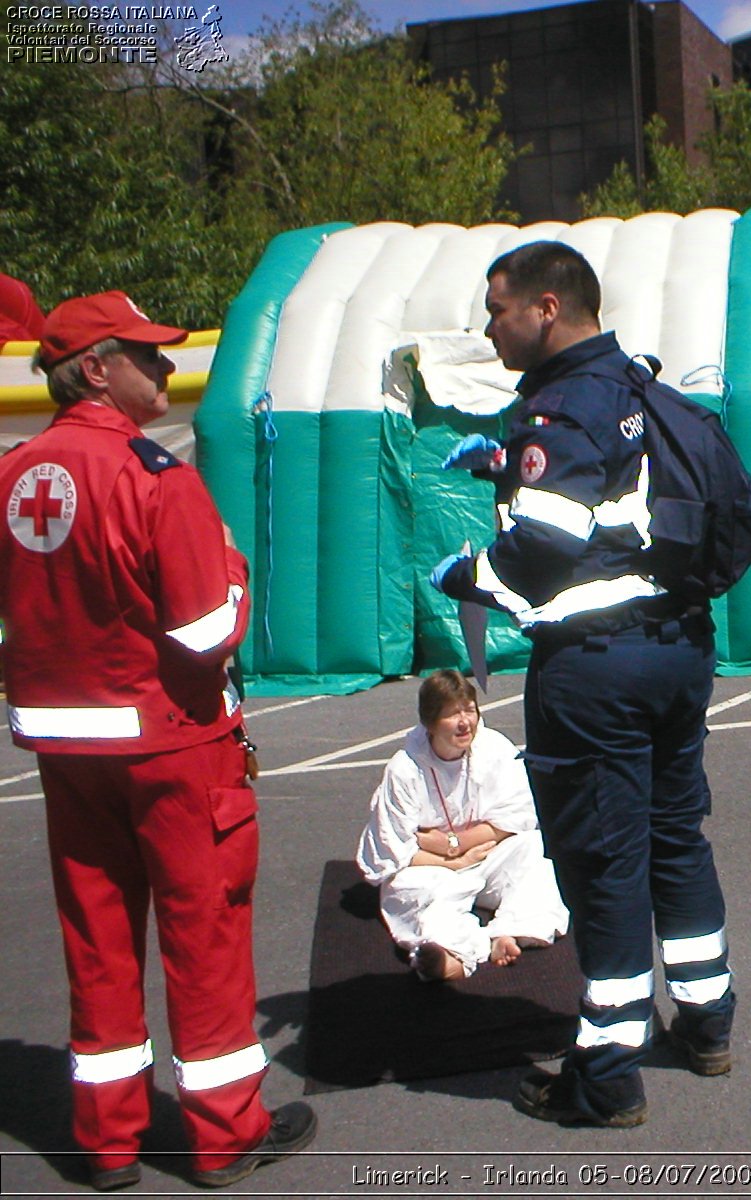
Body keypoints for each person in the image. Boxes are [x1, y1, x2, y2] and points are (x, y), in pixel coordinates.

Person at [0, 292, 314, 1190]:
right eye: (146, 353)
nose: (167, 368)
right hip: (174, 748)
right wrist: (235, 569)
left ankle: (104, 1142)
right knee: (202, 936)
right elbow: (205, 629)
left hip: (65, 755)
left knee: (95, 942)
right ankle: (223, 1137)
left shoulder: (15, 473)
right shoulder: (153, 477)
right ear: (96, 368)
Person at [431, 241, 735, 1128]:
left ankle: (605, 1080)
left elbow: (547, 545)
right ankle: (708, 1024)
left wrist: (470, 574)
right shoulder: (639, 387)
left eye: (498, 310)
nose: (490, 327)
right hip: (678, 648)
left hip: (597, 666)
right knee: (677, 839)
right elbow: (616, 504)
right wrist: (505, 466)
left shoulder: (559, 408)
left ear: (548, 307)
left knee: (604, 866)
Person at [356, 670, 569, 980]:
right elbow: (394, 852)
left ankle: (508, 933)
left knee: (532, 849)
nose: (464, 722)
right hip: (431, 869)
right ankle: (453, 953)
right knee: (411, 892)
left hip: (483, 855)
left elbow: (515, 819)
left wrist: (451, 844)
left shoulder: (493, 747)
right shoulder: (404, 770)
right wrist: (451, 862)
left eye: (469, 710)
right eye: (452, 714)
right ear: (430, 723)